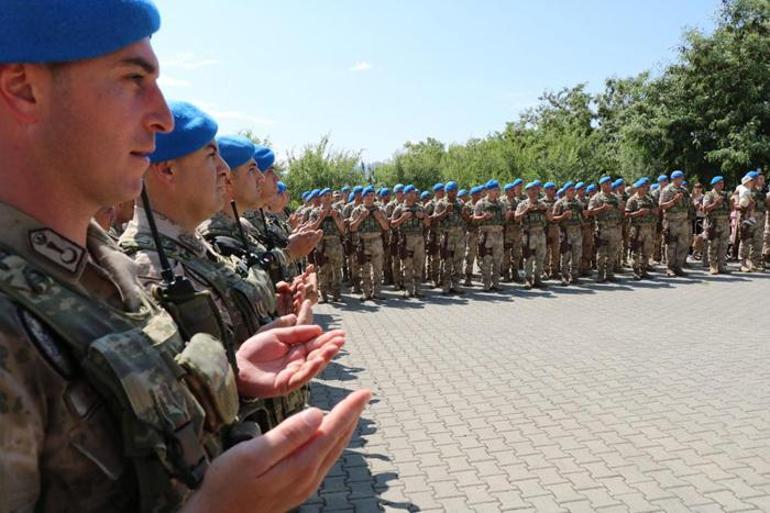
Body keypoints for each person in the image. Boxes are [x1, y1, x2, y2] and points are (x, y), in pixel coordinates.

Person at [0, 2, 369, 512]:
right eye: (133, 78)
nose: (162, 116)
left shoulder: (98, 270)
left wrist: (231, 377)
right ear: (23, 88)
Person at [350, 186, 390, 300]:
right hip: (363, 241)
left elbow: (386, 227)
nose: (370, 197)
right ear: (363, 197)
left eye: (372, 195)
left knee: (378, 268)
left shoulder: (380, 209)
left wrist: (380, 218)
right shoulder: (357, 210)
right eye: (367, 195)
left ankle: (377, 292)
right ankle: (366, 293)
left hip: (377, 240)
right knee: (365, 268)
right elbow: (352, 228)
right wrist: (361, 218)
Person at [307, 188, 346, 302]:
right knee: (323, 270)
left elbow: (343, 230)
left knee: (337, 270)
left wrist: (335, 218)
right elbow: (312, 228)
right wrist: (321, 217)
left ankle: (336, 294)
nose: (327, 198)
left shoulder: (337, 211)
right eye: (325, 195)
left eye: (329, 195)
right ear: (321, 198)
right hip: (321, 244)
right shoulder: (315, 212)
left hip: (335, 244)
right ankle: (323, 294)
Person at [390, 185, 428, 298]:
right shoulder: (399, 208)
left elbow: (428, 222)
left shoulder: (421, 208)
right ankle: (408, 289)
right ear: (405, 194)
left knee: (419, 264)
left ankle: (418, 288)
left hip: (419, 239)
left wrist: (422, 217)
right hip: (406, 239)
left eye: (414, 193)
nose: (413, 195)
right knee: (407, 265)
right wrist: (402, 218)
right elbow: (392, 224)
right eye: (410, 193)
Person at [433, 181, 466, 294]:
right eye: (451, 191)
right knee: (447, 261)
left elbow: (465, 217)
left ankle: (456, 284)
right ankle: (446, 285)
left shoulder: (460, 202)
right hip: (447, 236)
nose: (454, 193)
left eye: (455, 190)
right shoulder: (441, 203)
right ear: (447, 192)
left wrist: (464, 213)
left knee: (459, 261)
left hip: (459, 236)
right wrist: (445, 212)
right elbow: (435, 219)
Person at [588, 176, 624, 283]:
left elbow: (622, 211)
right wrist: (602, 209)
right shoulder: (596, 198)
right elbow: (590, 212)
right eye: (607, 183)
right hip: (602, 229)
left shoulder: (616, 197)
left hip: (614, 229)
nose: (609, 185)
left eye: (610, 183)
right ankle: (600, 274)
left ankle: (610, 273)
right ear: (602, 185)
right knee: (601, 253)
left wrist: (621, 209)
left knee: (613, 252)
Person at [516, 182, 551, 289]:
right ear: (527, 192)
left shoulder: (543, 204)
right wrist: (527, 210)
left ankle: (537, 279)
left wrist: (544, 210)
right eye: (531, 190)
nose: (534, 192)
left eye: (536, 190)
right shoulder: (523, 204)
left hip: (540, 233)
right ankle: (528, 279)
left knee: (541, 257)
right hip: (529, 234)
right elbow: (516, 217)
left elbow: (551, 218)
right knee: (529, 257)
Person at [473, 180, 506, 291]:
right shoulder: (481, 203)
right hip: (486, 235)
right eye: (494, 190)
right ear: (488, 191)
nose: (497, 192)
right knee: (486, 259)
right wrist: (483, 217)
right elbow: (474, 218)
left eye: (497, 190)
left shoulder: (501, 204)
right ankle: (486, 283)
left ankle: (496, 283)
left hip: (498, 235)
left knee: (498, 259)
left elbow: (504, 219)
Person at [658, 170, 691, 276]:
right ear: (673, 179)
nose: (681, 180)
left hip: (683, 221)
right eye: (679, 178)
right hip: (671, 222)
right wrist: (673, 201)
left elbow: (688, 205)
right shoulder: (667, 190)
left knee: (683, 245)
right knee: (671, 245)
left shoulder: (684, 190)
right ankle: (670, 268)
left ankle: (678, 266)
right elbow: (661, 205)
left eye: (682, 178)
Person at [624, 178, 658, 279]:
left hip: (648, 228)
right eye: (643, 187)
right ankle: (636, 271)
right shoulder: (632, 200)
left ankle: (644, 270)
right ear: (638, 188)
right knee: (636, 250)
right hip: (637, 228)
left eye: (646, 187)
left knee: (646, 250)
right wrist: (638, 213)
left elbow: (656, 211)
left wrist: (651, 211)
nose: (645, 188)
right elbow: (626, 214)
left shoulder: (650, 199)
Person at [552, 182, 584, 285]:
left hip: (577, 231)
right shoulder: (560, 203)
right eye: (570, 190)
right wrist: (563, 216)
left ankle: (574, 275)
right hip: (565, 232)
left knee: (577, 255)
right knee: (566, 255)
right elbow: (553, 219)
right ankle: (565, 276)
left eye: (573, 190)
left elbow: (583, 216)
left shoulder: (578, 203)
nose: (573, 192)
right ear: (565, 191)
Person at [702, 176, 732, 275]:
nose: (721, 185)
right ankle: (712, 266)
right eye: (719, 183)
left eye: (722, 183)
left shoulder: (725, 195)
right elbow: (705, 209)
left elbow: (730, 209)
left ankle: (721, 266)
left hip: (725, 223)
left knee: (723, 246)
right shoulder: (709, 195)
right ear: (714, 184)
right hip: (713, 224)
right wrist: (715, 203)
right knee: (713, 245)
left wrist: (731, 203)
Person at [501, 179, 524, 282]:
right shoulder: (502, 202)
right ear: (506, 192)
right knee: (506, 253)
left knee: (517, 254)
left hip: (517, 231)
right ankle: (506, 273)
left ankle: (515, 273)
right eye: (511, 190)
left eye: (513, 190)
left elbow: (522, 213)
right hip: (506, 231)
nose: (513, 192)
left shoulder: (519, 202)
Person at [463, 186, 483, 286]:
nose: (478, 196)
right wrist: (477, 217)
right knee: (470, 256)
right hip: (471, 233)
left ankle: (484, 276)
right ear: (472, 195)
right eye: (476, 194)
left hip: (482, 233)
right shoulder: (467, 205)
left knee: (483, 255)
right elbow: (466, 218)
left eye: (479, 194)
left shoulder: (482, 204)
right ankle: (468, 278)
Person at [542, 182, 560, 279]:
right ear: (546, 190)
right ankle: (545, 270)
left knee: (556, 250)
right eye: (551, 189)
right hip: (545, 228)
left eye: (554, 189)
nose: (553, 191)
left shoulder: (559, 202)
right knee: (545, 251)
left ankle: (555, 270)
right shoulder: (541, 202)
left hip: (556, 228)